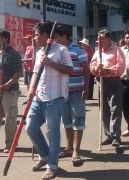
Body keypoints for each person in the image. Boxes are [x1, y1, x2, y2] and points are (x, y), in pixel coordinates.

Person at [26, 22, 73, 179]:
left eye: (37, 35)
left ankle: (52, 165)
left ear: (46, 35)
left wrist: (51, 63)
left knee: (53, 134)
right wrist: (31, 89)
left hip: (55, 98)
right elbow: (35, 73)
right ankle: (44, 155)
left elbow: (69, 70)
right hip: (38, 97)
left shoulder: (62, 50)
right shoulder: (39, 52)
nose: (35, 38)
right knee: (30, 128)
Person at [53, 25, 89, 167]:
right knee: (66, 122)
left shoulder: (78, 51)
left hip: (76, 92)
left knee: (78, 122)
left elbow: (86, 70)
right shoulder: (57, 51)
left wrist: (86, 88)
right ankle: (68, 148)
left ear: (65, 37)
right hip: (62, 93)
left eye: (58, 37)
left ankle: (76, 151)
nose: (56, 40)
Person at [90, 29, 126, 147]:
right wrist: (96, 68)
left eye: (102, 39)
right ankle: (108, 135)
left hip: (113, 81)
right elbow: (92, 66)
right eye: (98, 39)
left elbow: (121, 67)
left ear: (108, 38)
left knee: (115, 109)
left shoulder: (117, 50)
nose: (99, 41)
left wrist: (108, 70)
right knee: (104, 109)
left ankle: (116, 136)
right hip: (101, 82)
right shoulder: (98, 51)